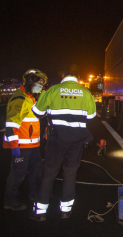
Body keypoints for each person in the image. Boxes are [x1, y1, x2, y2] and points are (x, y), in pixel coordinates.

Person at [30, 72, 96, 221]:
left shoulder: (53, 90)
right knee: (70, 173)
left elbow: (37, 112)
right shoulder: (85, 92)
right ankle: (66, 210)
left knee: (49, 173)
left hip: (56, 139)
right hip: (77, 140)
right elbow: (91, 117)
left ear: (63, 78)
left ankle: (41, 211)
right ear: (76, 79)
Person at [3, 69, 47, 211]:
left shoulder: (29, 97)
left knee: (36, 171)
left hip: (33, 145)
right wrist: (14, 145)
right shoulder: (20, 98)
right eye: (39, 83)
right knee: (17, 175)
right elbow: (11, 124)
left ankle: (34, 194)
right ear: (30, 81)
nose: (40, 86)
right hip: (22, 146)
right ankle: (10, 201)